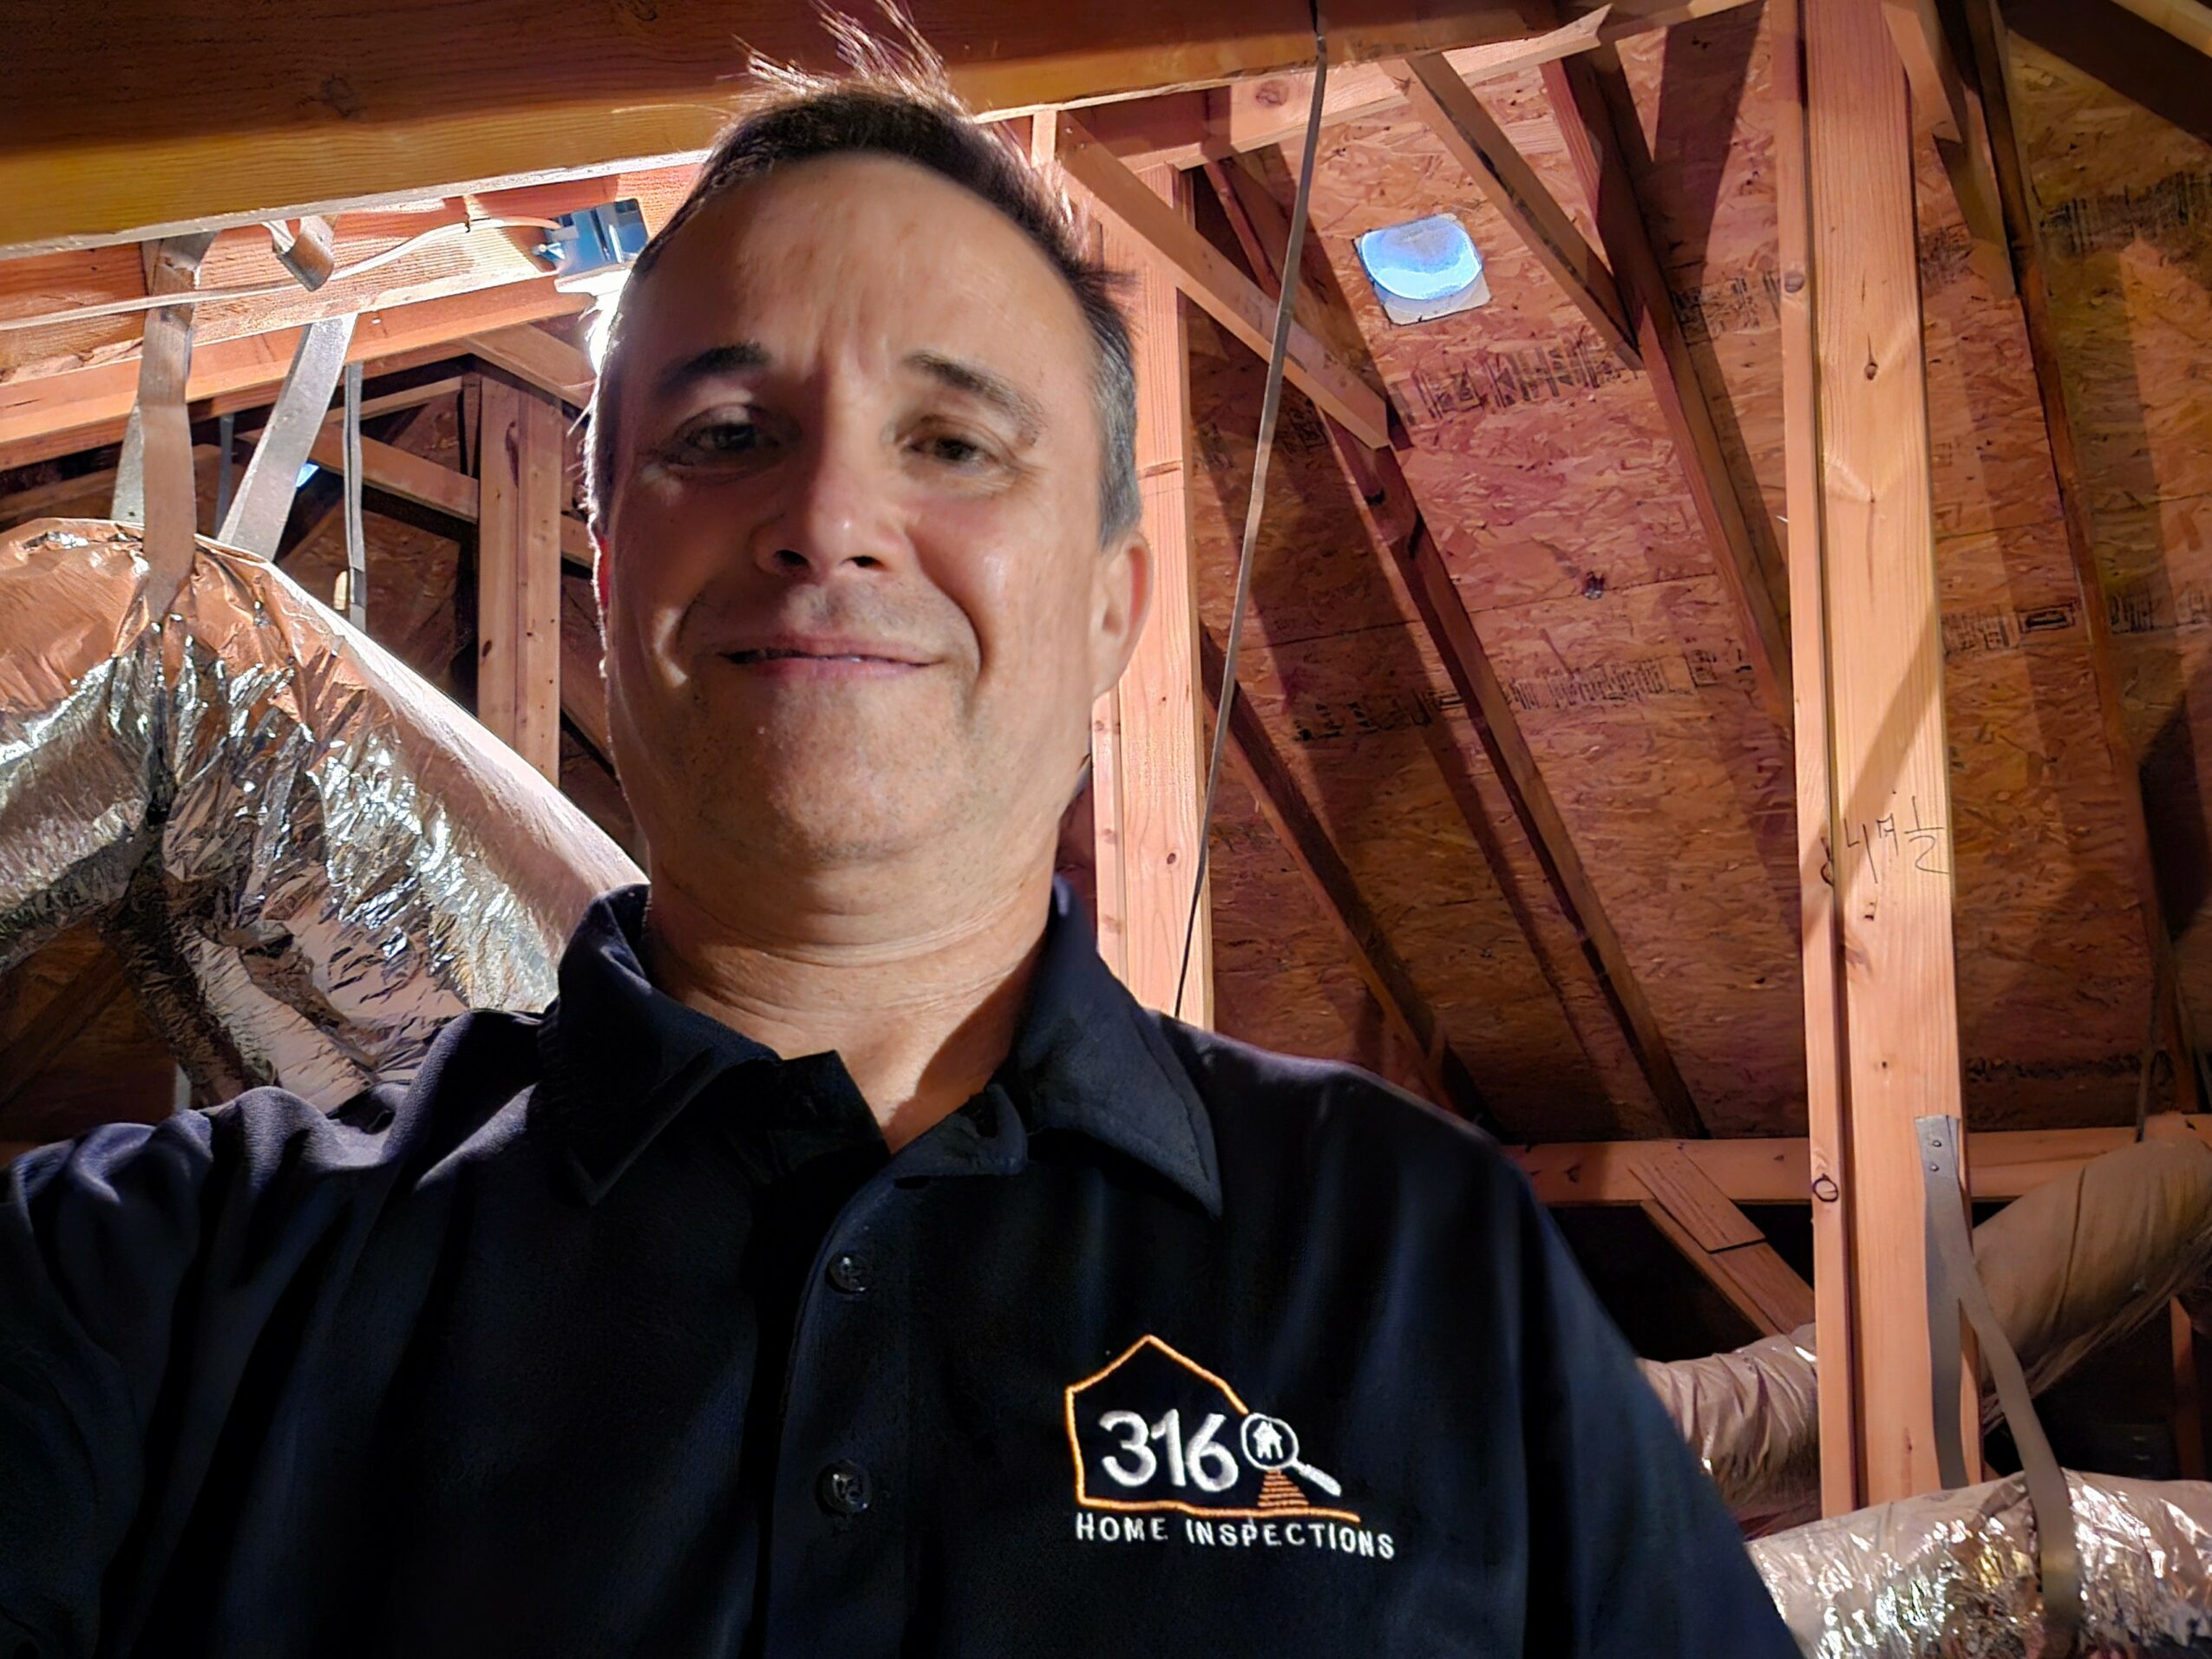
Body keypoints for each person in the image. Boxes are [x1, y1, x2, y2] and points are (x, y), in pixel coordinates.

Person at [0, 56, 1799, 1659]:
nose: (830, 519)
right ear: (610, 566)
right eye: (727, 436)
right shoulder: (146, 1287)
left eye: (951, 440)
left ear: (1112, 608)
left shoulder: (1430, 1270)